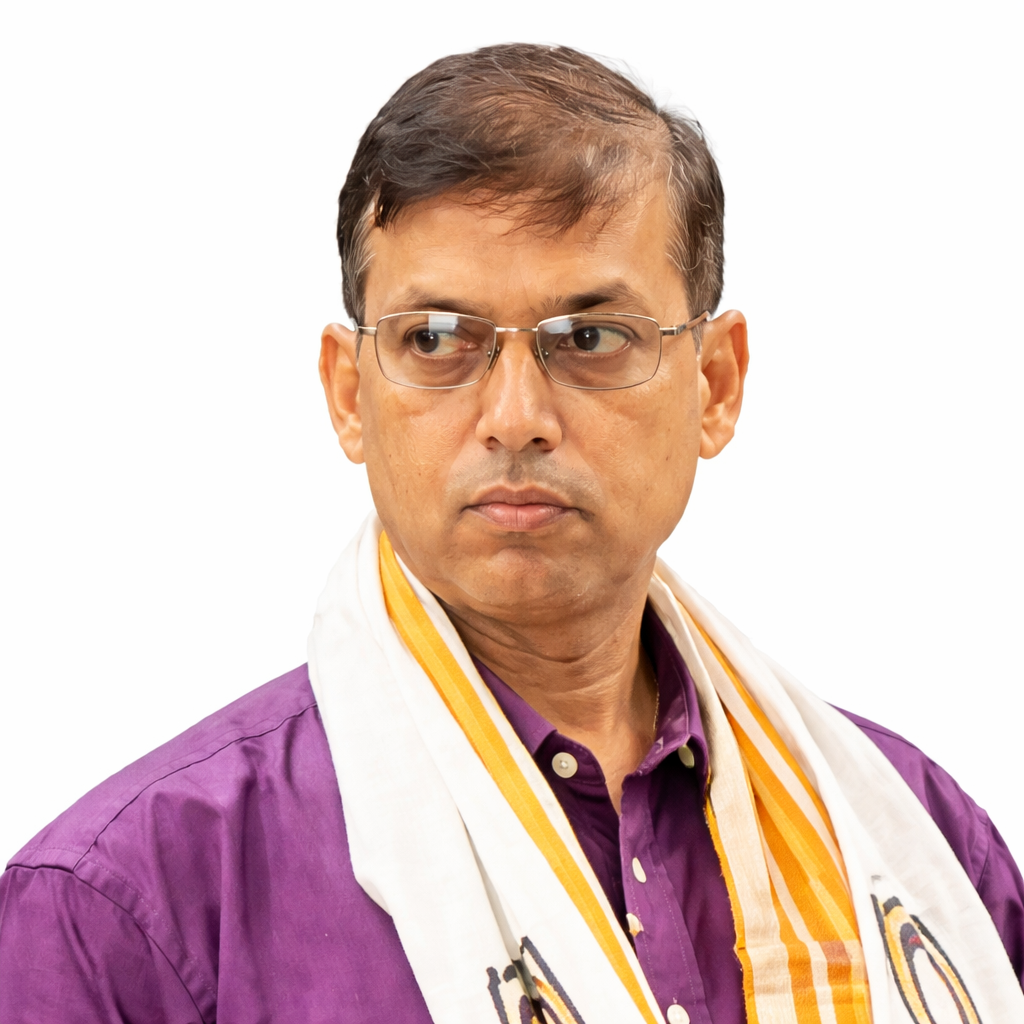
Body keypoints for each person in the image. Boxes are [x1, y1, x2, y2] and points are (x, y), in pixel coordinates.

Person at [0, 42, 1021, 1024]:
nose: (516, 416)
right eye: (436, 339)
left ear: (714, 383)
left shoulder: (915, 844)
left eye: (591, 337)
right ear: (349, 395)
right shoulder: (129, 909)